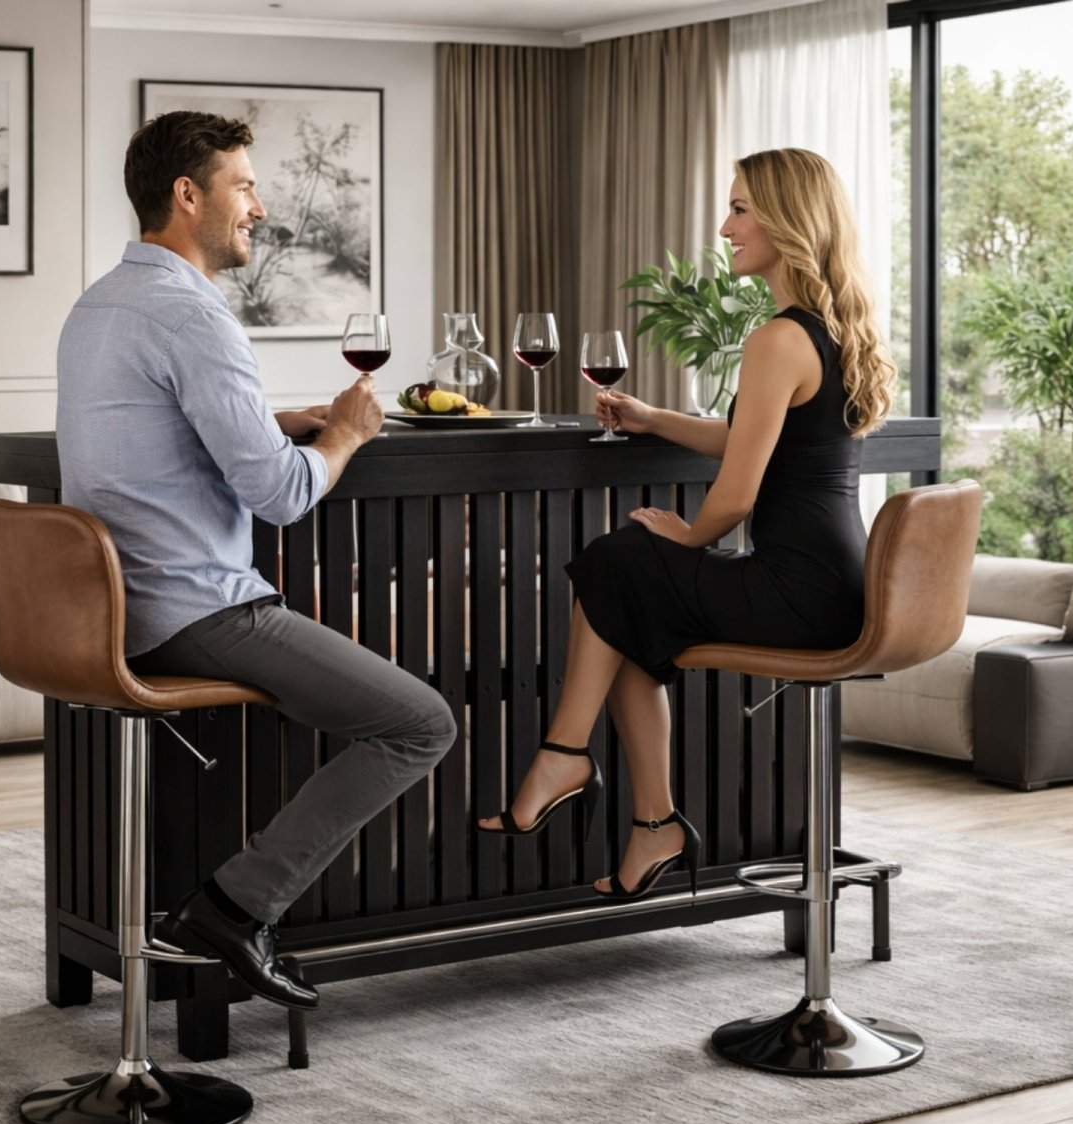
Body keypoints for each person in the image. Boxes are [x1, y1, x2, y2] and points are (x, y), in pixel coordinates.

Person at [56, 110, 456, 1011]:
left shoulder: (102, 305)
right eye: (243, 184)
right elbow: (280, 497)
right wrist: (347, 435)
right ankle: (233, 908)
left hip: (107, 613)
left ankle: (208, 917)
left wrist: (270, 424)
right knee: (420, 722)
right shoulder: (194, 317)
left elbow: (147, 433)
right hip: (193, 610)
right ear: (187, 194)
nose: (260, 207)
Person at [479, 147, 894, 902]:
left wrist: (689, 536)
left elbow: (735, 495)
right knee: (629, 606)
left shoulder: (778, 339)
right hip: (836, 583)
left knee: (618, 560)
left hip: (798, 591)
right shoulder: (828, 332)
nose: (725, 226)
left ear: (788, 221)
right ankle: (651, 824)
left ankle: (565, 756)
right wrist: (653, 418)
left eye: (740, 209)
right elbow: (757, 443)